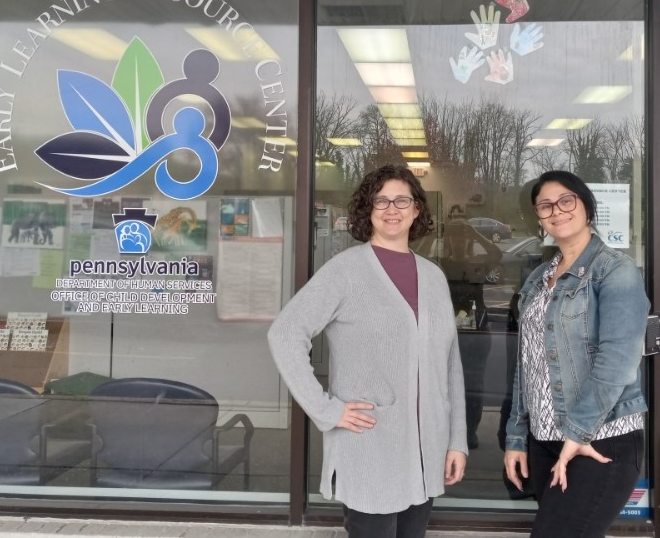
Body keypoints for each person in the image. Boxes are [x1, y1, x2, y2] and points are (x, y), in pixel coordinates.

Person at [268, 164, 467, 538]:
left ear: (417, 209)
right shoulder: (345, 271)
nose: (392, 209)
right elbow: (285, 332)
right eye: (381, 201)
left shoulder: (433, 276)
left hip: (427, 450)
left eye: (402, 200)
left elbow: (450, 364)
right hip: (371, 447)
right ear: (368, 210)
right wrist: (326, 409)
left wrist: (456, 440)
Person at [503, 170, 649, 538]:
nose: (557, 211)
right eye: (545, 205)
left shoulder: (615, 271)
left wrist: (578, 434)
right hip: (546, 441)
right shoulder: (539, 278)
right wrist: (516, 439)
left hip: (598, 441)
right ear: (538, 217)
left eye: (566, 200)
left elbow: (617, 360)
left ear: (586, 206)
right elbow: (527, 365)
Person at [440, 215, 501, 449]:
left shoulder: (477, 261)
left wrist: (474, 233)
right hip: (446, 330)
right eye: (453, 238)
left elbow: (497, 254)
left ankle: (469, 432)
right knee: (443, 381)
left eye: (461, 238)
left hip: (476, 331)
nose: (457, 242)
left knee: (474, 381)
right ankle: (446, 430)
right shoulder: (440, 263)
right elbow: (417, 253)